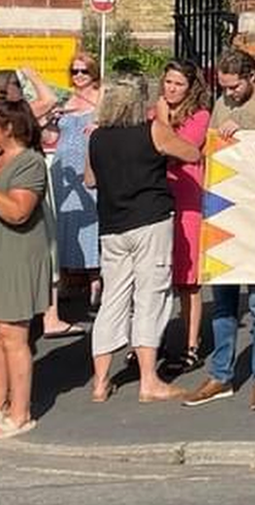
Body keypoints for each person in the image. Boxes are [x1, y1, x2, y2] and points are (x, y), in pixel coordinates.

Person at [182, 49, 255, 411]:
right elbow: (211, 150)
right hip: (225, 214)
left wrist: (247, 134)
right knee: (224, 304)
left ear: (251, 76)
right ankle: (221, 374)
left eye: (234, 87)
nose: (229, 94)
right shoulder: (220, 103)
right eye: (225, 88)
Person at [85, 78, 200, 403]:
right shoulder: (151, 130)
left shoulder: (96, 137)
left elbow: (90, 179)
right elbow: (191, 152)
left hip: (112, 225)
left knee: (113, 299)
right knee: (151, 296)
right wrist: (163, 124)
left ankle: (100, 382)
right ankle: (149, 381)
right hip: (150, 221)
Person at [0, 70, 81, 339]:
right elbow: (48, 98)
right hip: (22, 188)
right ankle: (50, 315)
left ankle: (45, 313)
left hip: (20, 187)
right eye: (16, 84)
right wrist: (32, 72)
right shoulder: (17, 116)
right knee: (47, 247)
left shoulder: (19, 115)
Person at [157, 60, 211, 375]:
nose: (171, 89)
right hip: (157, 199)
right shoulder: (157, 114)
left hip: (187, 201)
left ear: (191, 87)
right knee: (158, 278)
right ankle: (154, 341)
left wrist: (162, 119)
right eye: (168, 82)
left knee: (188, 281)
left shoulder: (199, 117)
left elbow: (177, 148)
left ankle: (191, 344)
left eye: (178, 83)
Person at [0, 100, 48, 438]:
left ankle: (21, 413)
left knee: (14, 336)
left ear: (9, 128)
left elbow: (19, 212)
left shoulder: (30, 162)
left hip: (17, 255)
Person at [51, 53, 102, 311]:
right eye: (74, 71)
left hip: (89, 164)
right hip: (64, 166)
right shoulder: (65, 97)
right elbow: (50, 134)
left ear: (94, 72)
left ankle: (95, 277)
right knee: (66, 220)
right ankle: (67, 277)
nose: (78, 76)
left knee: (91, 219)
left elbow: (106, 124)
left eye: (84, 71)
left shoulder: (99, 96)